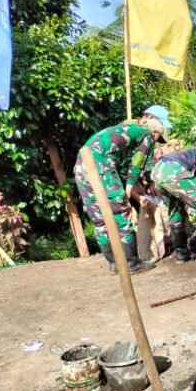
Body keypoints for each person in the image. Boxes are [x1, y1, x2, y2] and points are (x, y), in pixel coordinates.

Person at [74, 105, 171, 275]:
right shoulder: (146, 133)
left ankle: (114, 264)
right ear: (155, 124)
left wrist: (136, 192)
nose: (156, 140)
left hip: (82, 165)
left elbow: (122, 172)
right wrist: (127, 196)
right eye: (158, 136)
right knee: (121, 213)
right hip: (101, 165)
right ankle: (133, 263)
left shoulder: (125, 129)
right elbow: (136, 167)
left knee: (99, 219)